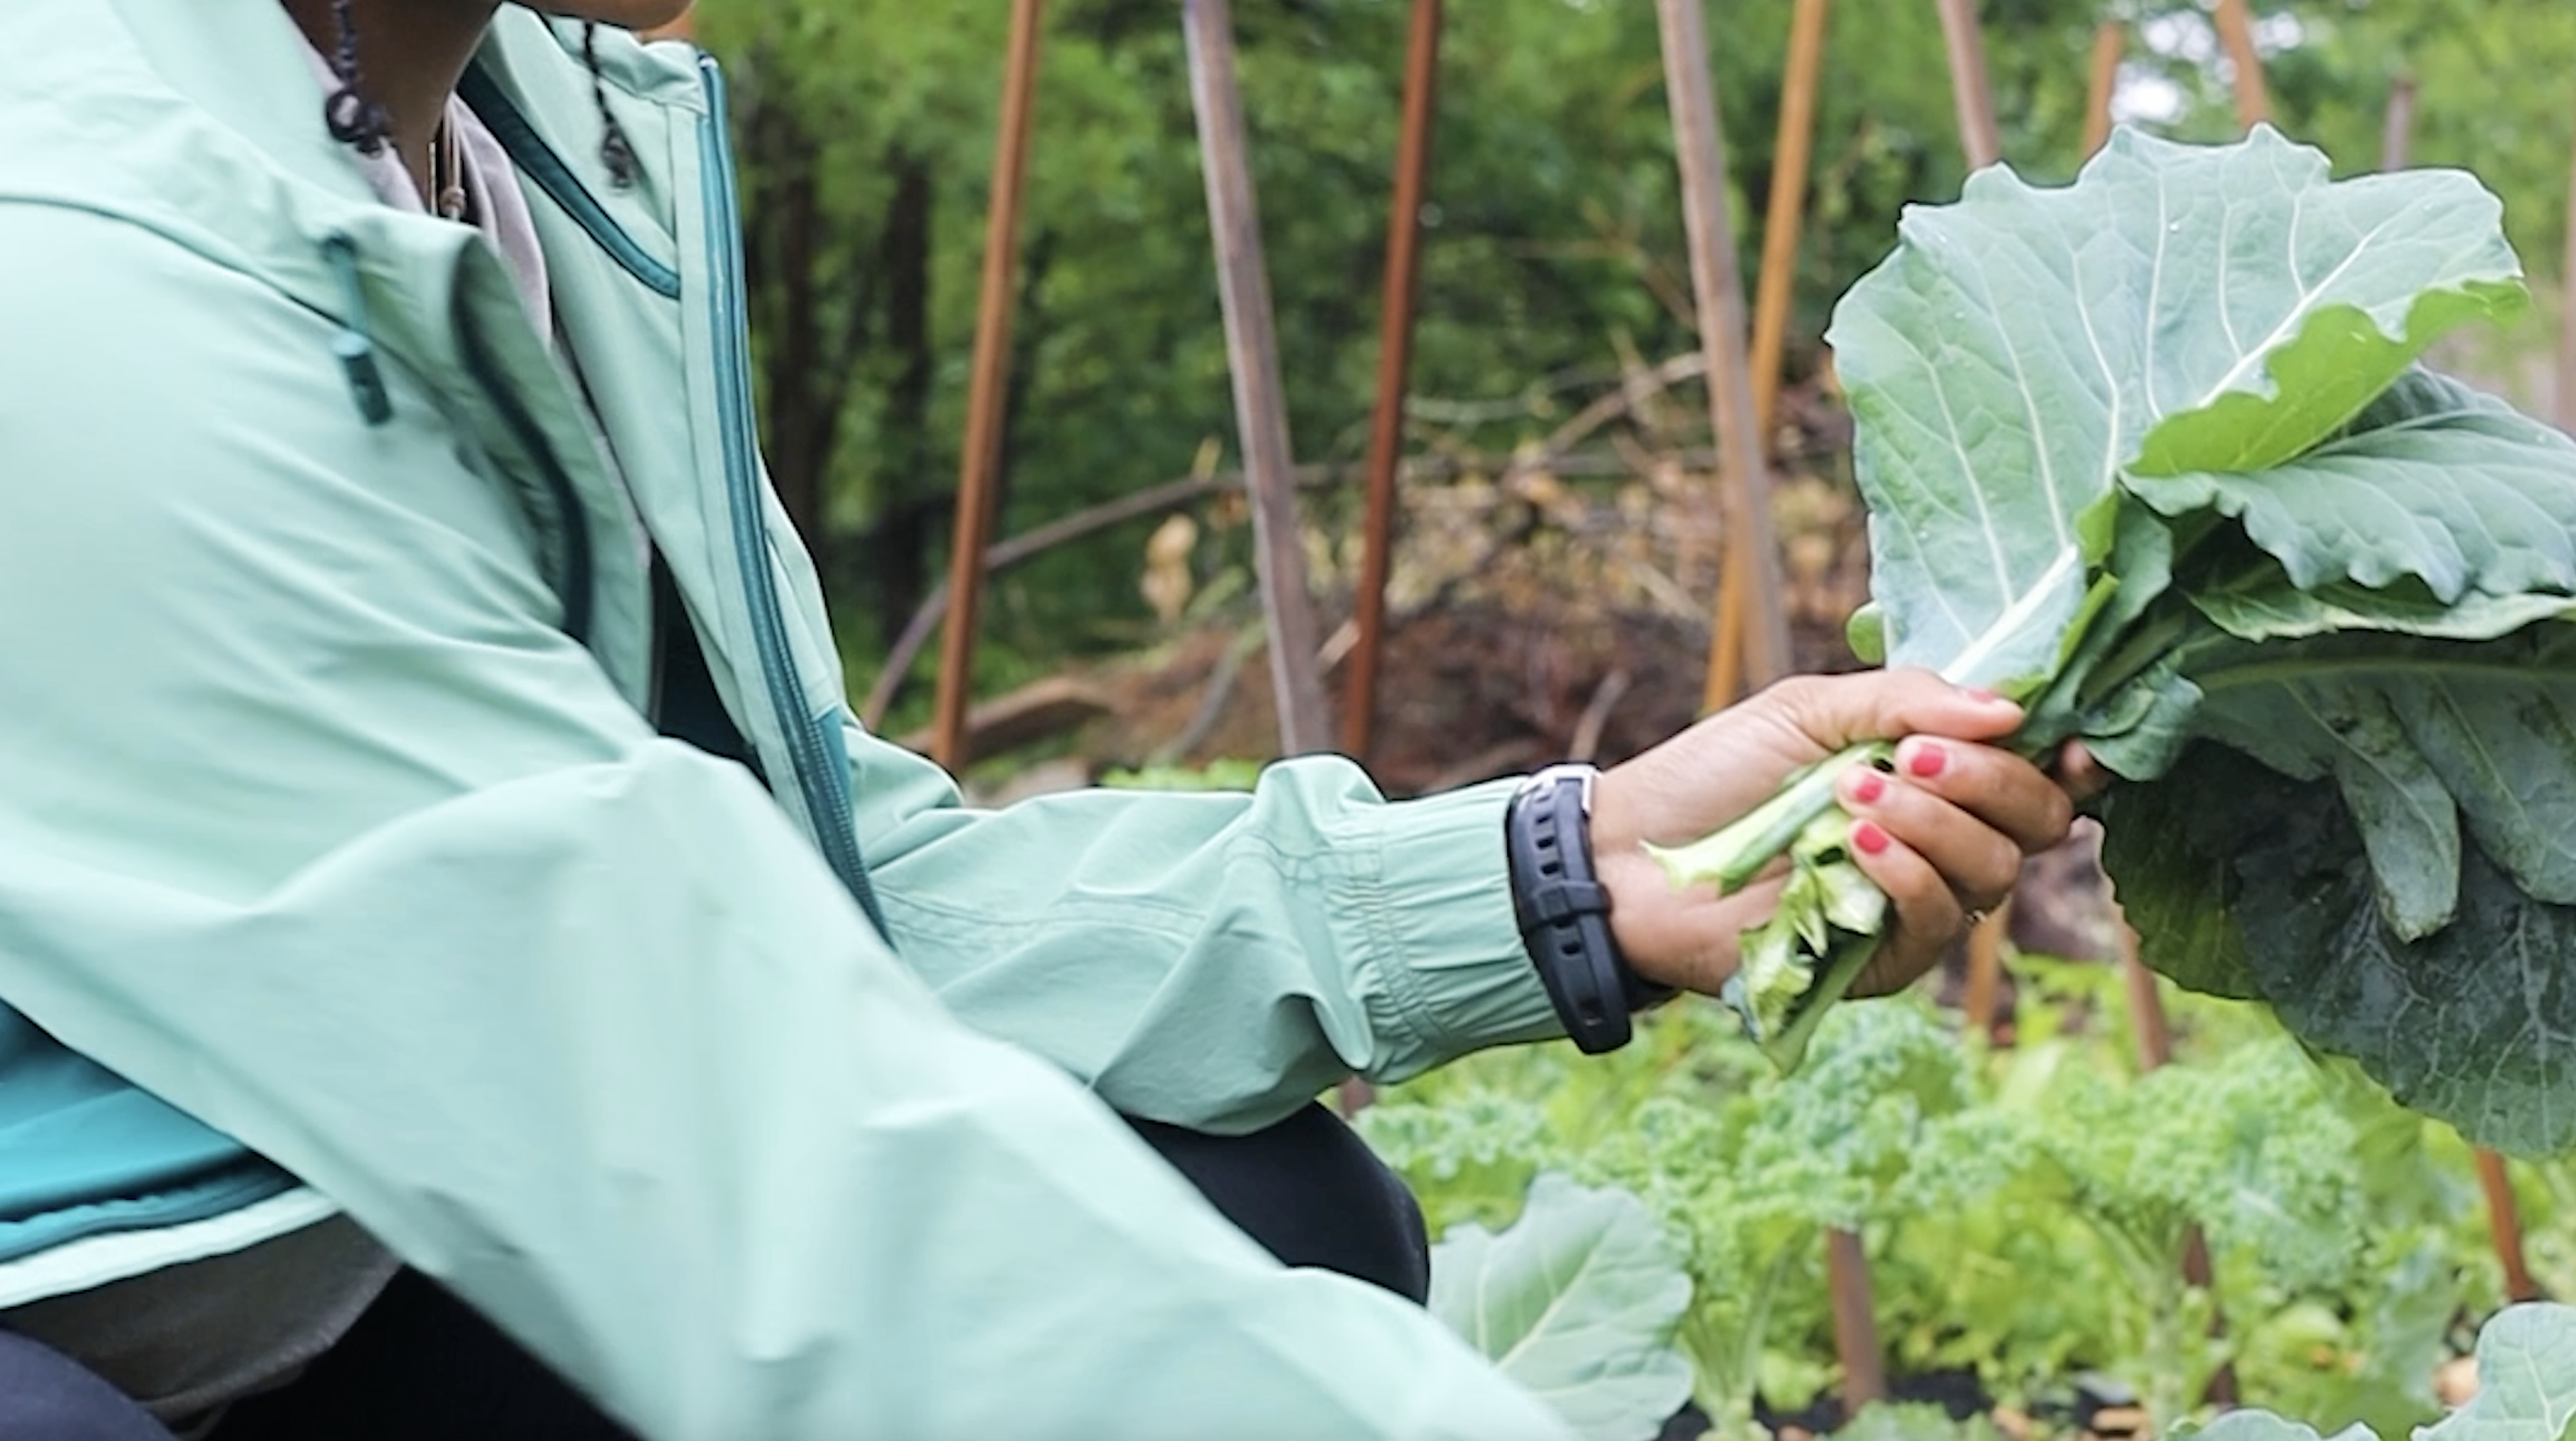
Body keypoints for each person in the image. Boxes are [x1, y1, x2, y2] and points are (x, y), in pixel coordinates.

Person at [0, 2, 2082, 1436]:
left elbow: (848, 901)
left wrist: (1574, 872)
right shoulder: (83, 259)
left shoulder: (535, 151)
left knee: (1270, 1213)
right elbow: (737, 1155)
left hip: (322, 1244)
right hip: (97, 1309)